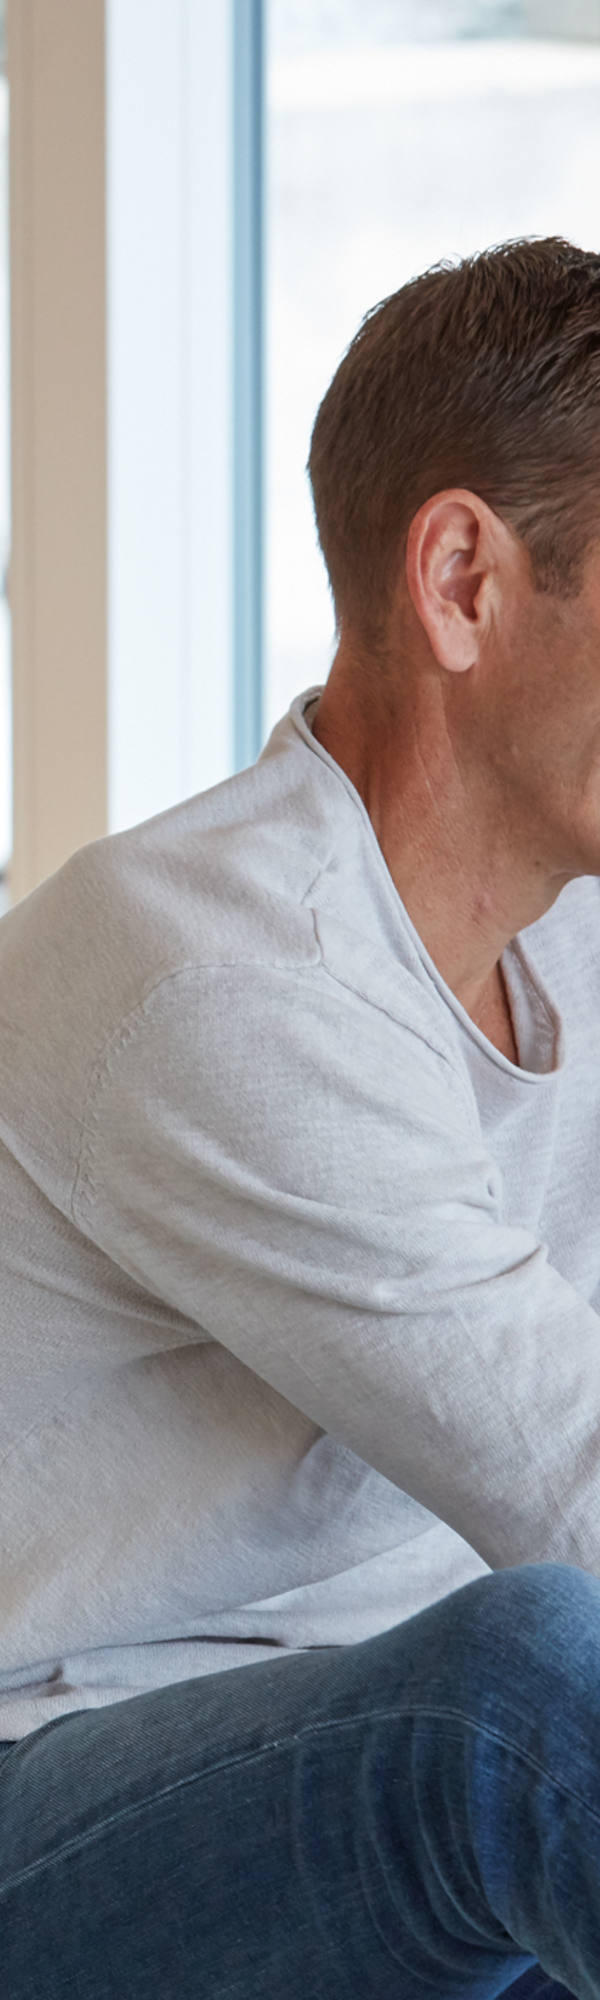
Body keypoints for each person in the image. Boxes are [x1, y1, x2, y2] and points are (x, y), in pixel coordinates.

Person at [0, 236, 599, 1998]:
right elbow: (579, 1487)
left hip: (389, 1787)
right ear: (464, 582)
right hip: (71, 1791)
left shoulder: (567, 926)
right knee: (523, 1687)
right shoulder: (214, 969)